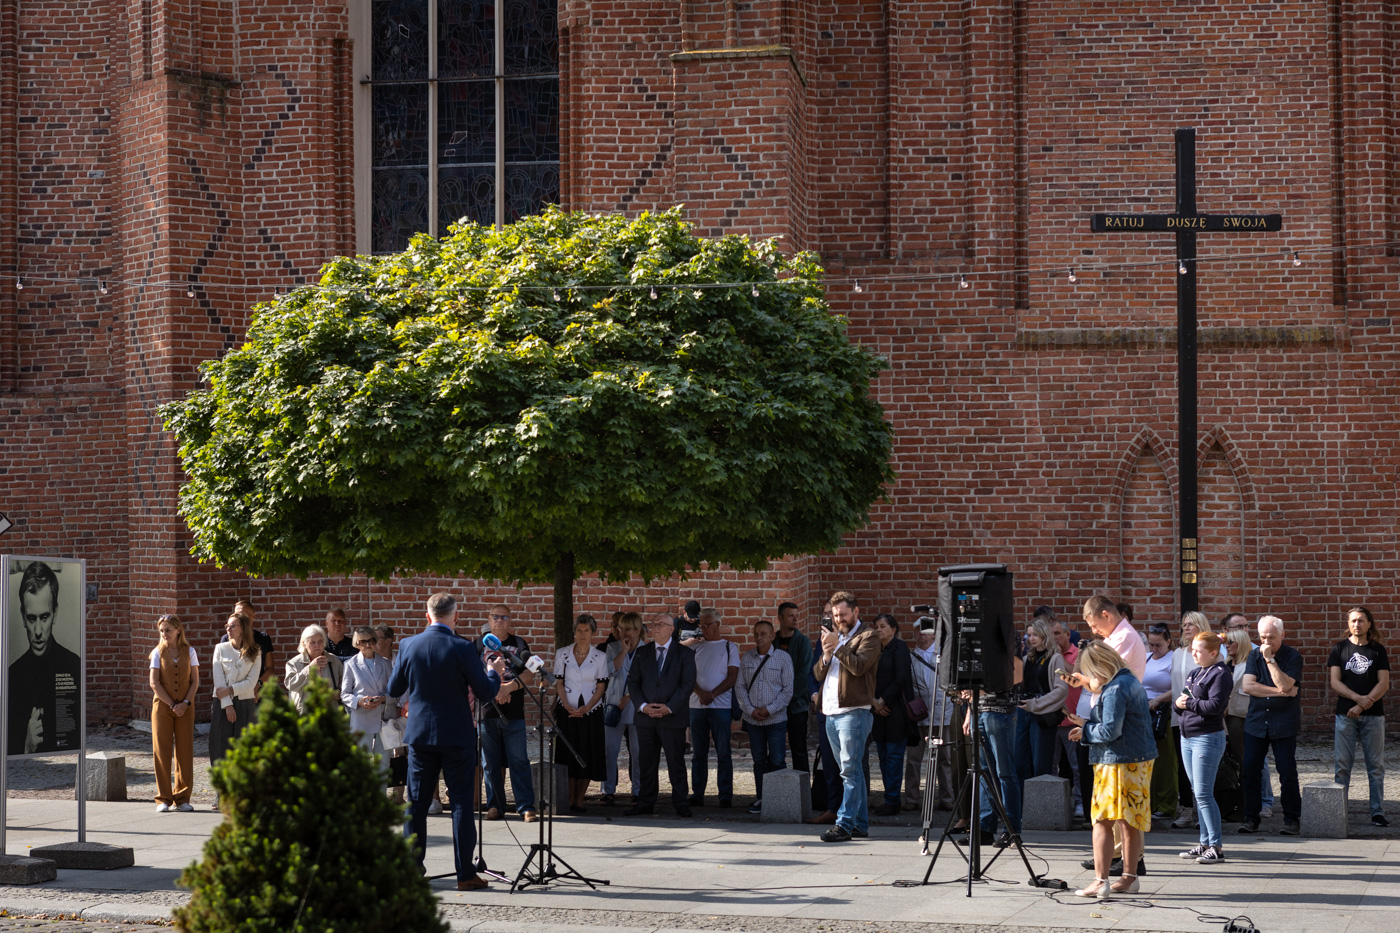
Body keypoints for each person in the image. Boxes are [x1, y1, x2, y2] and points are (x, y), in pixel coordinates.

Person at [388, 592, 505, 891]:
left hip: (420, 735)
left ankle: (411, 871)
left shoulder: (408, 645)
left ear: (427, 616)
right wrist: (494, 673)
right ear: (456, 617)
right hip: (456, 735)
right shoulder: (462, 647)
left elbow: (394, 688)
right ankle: (465, 874)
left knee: (416, 804)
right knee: (462, 804)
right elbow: (484, 692)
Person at [1067, 641, 1156, 899]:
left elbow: (1109, 731)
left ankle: (1100, 881)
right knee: (1129, 821)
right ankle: (1129, 877)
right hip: (1136, 760)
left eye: (1090, 671)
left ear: (1100, 666)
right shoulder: (1128, 680)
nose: (1090, 676)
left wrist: (1085, 731)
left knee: (1101, 821)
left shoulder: (1115, 688)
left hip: (1117, 761)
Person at [813, 591, 881, 843]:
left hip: (854, 712)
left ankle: (843, 824)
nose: (838, 619)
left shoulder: (868, 636)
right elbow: (818, 674)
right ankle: (860, 823)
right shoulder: (835, 638)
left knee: (850, 771)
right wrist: (826, 654)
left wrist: (838, 647)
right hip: (831, 712)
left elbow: (859, 667)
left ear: (855, 612)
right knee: (850, 771)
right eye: (835, 615)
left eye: (843, 614)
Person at [624, 612, 697, 817]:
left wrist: (669, 707)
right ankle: (645, 802)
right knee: (646, 762)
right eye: (653, 624)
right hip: (646, 717)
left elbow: (687, 684)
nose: (655, 628)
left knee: (675, 762)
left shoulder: (684, 654)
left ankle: (680, 802)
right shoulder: (642, 652)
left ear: (671, 629)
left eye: (660, 625)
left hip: (672, 717)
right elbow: (633, 683)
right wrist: (643, 706)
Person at [7, 561, 81, 755]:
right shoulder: (11, 677)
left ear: (55, 614)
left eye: (44, 617)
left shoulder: (75, 666)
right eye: (32, 618)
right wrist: (26, 747)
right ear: (23, 616)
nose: (38, 631)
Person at [1239, 615, 1302, 835]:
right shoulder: (1253, 655)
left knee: (1287, 771)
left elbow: (1285, 683)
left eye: (1271, 637)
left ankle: (1292, 819)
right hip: (1256, 721)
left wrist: (1270, 661)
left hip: (1283, 722)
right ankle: (1251, 817)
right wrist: (1282, 692)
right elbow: (1248, 686)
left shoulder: (1293, 656)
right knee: (1250, 770)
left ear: (1282, 635)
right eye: (1262, 637)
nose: (1266, 642)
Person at [1328, 606, 1389, 827]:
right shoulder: (1339, 649)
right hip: (1345, 715)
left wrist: (1362, 705)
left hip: (1373, 716)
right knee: (1342, 765)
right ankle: (1339, 813)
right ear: (1348, 623)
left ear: (1369, 624)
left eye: (1361, 620)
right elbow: (1335, 682)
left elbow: (1383, 684)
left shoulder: (1378, 651)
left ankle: (1377, 813)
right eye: (1353, 620)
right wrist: (1357, 699)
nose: (1357, 624)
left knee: (1376, 766)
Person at [477, 604, 538, 823]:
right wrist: (495, 691)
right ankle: (495, 805)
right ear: (489, 619)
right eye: (495, 617)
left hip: (514, 713)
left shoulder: (519, 644)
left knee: (519, 760)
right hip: (487, 711)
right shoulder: (478, 645)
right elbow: (472, 674)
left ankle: (525, 806)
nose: (499, 620)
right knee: (489, 763)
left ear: (510, 620)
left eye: (504, 617)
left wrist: (509, 688)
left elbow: (531, 672)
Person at [1174, 631, 1232, 864]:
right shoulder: (1195, 672)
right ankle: (1204, 842)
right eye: (1193, 650)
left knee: (1204, 793)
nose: (1193, 654)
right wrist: (1179, 704)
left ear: (1214, 652)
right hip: (1187, 736)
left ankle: (1216, 846)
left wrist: (1187, 703)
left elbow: (1215, 706)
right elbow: (1180, 704)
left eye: (1198, 651)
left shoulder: (1221, 674)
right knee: (1197, 792)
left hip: (1207, 737)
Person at [736, 619, 794, 814]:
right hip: (753, 720)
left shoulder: (783, 658)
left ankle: (780, 800)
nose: (759, 637)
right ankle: (762, 798)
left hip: (776, 719)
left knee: (777, 760)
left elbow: (787, 691)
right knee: (759, 760)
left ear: (772, 636)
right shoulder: (747, 658)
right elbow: (740, 687)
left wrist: (769, 709)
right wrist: (750, 710)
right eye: (756, 634)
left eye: (763, 634)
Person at [553, 614, 609, 812]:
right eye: (579, 630)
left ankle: (580, 799)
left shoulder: (600, 657)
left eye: (586, 631)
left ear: (593, 633)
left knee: (587, 751)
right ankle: (568, 797)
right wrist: (566, 704)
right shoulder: (562, 653)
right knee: (568, 752)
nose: (582, 634)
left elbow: (601, 686)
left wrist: (588, 707)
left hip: (591, 710)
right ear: (574, 632)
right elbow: (559, 683)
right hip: (567, 708)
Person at [684, 608, 740, 808]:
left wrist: (713, 694)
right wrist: (700, 693)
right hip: (696, 706)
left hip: (721, 707)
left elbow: (732, 676)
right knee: (699, 753)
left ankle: (725, 795)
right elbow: (687, 675)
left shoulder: (729, 647)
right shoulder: (694, 648)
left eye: (707, 625)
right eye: (702, 626)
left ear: (717, 624)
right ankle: (697, 794)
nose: (704, 629)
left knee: (723, 752)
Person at [209, 611, 262, 807]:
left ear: (243, 629)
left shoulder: (255, 652)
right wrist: (228, 704)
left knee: (243, 748)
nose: (228, 629)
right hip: (222, 703)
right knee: (219, 747)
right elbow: (218, 679)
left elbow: (251, 682)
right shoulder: (220, 649)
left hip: (245, 703)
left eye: (233, 626)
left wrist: (231, 690)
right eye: (227, 626)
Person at [149, 614, 200, 813]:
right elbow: (154, 683)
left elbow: (195, 681)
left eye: (168, 630)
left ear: (178, 630)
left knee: (185, 751)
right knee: (161, 751)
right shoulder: (157, 653)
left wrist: (185, 703)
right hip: (163, 707)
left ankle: (182, 797)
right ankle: (163, 798)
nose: (164, 634)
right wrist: (172, 704)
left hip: (186, 707)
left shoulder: (190, 651)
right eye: (162, 630)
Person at [904, 616, 955, 812]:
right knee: (913, 758)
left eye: (926, 630)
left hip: (942, 712)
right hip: (918, 713)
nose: (922, 634)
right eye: (918, 630)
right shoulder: (910, 658)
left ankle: (947, 797)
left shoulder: (944, 655)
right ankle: (911, 798)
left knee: (945, 758)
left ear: (934, 634)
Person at [1168, 611, 1212, 829]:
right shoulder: (1177, 653)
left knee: (1202, 767)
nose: (1186, 628)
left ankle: (1205, 813)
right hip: (1179, 716)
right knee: (1183, 765)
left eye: (1191, 624)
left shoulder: (1210, 654)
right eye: (1184, 624)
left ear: (1201, 626)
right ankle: (1186, 810)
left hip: (1201, 716)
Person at [869, 613, 913, 817]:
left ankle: (893, 799)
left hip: (896, 710)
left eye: (883, 626)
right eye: (876, 627)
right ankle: (889, 797)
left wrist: (883, 700)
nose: (879, 630)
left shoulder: (900, 648)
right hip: (878, 711)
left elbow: (901, 677)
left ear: (893, 629)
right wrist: (874, 703)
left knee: (894, 756)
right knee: (883, 756)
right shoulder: (874, 650)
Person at [1016, 616, 1068, 783]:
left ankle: (1039, 799)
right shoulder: (1027, 658)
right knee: (1021, 761)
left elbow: (1061, 689)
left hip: (1043, 714)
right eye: (1029, 635)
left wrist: (1036, 704)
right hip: (1024, 712)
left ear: (1044, 635)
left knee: (1041, 763)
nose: (1032, 639)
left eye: (1035, 635)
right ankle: (1024, 798)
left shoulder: (1055, 658)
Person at [602, 611, 645, 805]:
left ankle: (638, 791)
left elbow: (647, 680)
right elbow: (608, 672)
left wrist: (630, 696)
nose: (624, 633)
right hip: (614, 703)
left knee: (638, 751)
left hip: (636, 705)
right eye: (621, 629)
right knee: (609, 750)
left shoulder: (647, 650)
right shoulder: (612, 648)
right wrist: (623, 651)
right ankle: (608, 790)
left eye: (628, 629)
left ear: (637, 630)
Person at [1142, 623, 1178, 821]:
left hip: (1163, 712)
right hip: (1144, 712)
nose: (1154, 649)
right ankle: (1150, 801)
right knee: (1147, 759)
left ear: (1168, 642)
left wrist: (1159, 699)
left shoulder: (1173, 659)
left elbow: (1180, 687)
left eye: (1158, 645)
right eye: (1151, 644)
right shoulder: (1147, 658)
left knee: (1164, 761)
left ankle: (1166, 804)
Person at [342, 626, 394, 760]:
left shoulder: (386, 663)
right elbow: (344, 694)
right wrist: (359, 701)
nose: (367, 645)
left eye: (371, 640)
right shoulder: (350, 664)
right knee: (362, 761)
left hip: (382, 718)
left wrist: (383, 698)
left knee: (383, 762)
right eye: (363, 642)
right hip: (361, 718)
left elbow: (394, 692)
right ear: (356, 644)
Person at [1050, 619, 1084, 819]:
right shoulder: (1049, 656)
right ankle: (1054, 806)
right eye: (1051, 634)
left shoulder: (1078, 654)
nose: (1054, 638)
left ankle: (1079, 802)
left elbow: (1074, 676)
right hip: (1053, 719)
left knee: (1076, 766)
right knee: (1052, 766)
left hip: (1073, 719)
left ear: (1067, 634)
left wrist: (1057, 656)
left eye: (1057, 633)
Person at [774, 601, 813, 774]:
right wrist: (776, 699)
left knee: (799, 750)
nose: (795, 619)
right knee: (775, 751)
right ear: (780, 618)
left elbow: (804, 674)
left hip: (797, 705)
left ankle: (803, 787)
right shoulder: (772, 641)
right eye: (791, 616)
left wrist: (787, 697)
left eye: (797, 616)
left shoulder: (803, 642)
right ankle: (776, 786)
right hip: (774, 705)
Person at [284, 624, 345, 714]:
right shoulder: (294, 663)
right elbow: (291, 685)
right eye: (312, 642)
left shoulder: (334, 661)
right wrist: (310, 668)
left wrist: (338, 693)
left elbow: (345, 686)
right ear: (304, 644)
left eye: (320, 641)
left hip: (330, 713)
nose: (317, 645)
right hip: (305, 713)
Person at [220, 599, 275, 691]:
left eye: (242, 613)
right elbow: (221, 670)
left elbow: (270, 669)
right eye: (236, 614)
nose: (239, 617)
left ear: (252, 616)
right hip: (233, 690)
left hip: (256, 692)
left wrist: (258, 684)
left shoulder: (263, 639)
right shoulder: (226, 639)